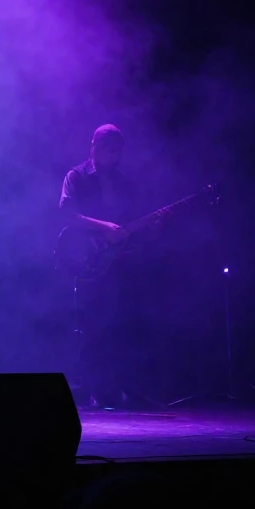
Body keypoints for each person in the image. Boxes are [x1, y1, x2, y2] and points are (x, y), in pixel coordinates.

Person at [59, 124, 154, 409]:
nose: (114, 156)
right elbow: (66, 213)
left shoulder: (123, 181)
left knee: (123, 323)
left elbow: (130, 222)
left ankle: (121, 387)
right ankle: (90, 388)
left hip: (118, 260)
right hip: (87, 258)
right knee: (92, 325)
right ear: (94, 147)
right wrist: (104, 228)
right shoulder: (76, 176)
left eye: (118, 151)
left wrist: (146, 227)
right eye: (109, 150)